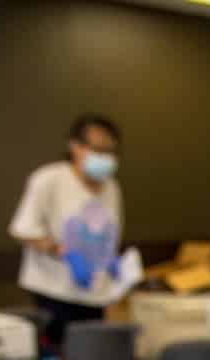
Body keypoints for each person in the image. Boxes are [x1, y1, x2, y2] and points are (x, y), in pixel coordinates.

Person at [9, 113, 125, 346]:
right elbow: (22, 229)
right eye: (98, 149)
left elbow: (111, 232)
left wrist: (112, 261)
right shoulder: (49, 179)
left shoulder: (111, 187)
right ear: (75, 146)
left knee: (92, 353)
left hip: (96, 293)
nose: (105, 157)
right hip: (54, 291)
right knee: (60, 352)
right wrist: (62, 251)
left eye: (110, 151)